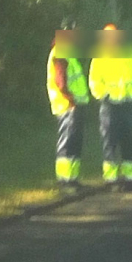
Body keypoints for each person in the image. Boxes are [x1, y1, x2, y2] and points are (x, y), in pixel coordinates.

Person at [89, 24, 132, 190]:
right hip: (110, 106)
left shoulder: (128, 55)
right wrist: (104, 96)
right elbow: (94, 81)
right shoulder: (99, 58)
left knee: (129, 142)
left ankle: (130, 178)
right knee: (110, 143)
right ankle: (111, 180)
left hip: (127, 105)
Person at [46, 29, 89, 189]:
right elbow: (60, 80)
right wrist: (70, 99)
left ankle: (73, 179)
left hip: (74, 104)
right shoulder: (59, 53)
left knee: (75, 142)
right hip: (67, 105)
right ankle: (64, 180)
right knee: (67, 142)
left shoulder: (68, 53)